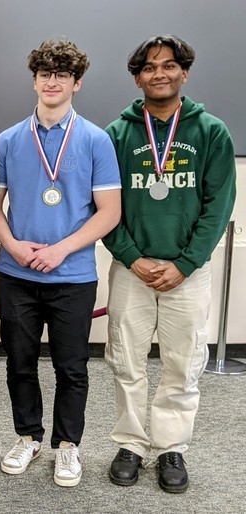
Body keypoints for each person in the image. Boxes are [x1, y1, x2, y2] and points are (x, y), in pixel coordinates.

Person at [102, 35, 236, 494]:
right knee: (126, 360)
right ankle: (130, 444)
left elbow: (218, 206)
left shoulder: (211, 132)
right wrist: (131, 258)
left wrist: (186, 263)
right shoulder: (116, 135)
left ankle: (170, 447)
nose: (159, 73)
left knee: (183, 362)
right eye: (149, 67)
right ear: (137, 78)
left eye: (169, 65)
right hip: (132, 270)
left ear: (184, 73)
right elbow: (102, 206)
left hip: (188, 273)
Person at [0, 39, 121, 487]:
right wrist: (13, 245)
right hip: (17, 274)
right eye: (45, 74)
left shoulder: (96, 140)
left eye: (62, 75)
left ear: (76, 83)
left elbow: (109, 212)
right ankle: (28, 436)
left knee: (72, 367)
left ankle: (67, 446)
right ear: (34, 81)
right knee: (19, 363)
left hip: (73, 276)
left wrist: (61, 250)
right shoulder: (8, 140)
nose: (52, 81)